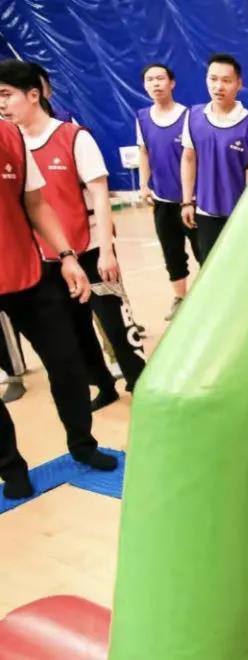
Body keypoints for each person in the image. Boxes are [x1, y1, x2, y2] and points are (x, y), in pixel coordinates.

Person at [1, 59, 146, 409]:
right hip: (49, 262)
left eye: (6, 95)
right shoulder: (12, 144)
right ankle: (103, 386)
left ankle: (140, 383)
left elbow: (99, 192)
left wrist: (108, 249)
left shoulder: (73, 137)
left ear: (33, 95)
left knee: (115, 326)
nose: (1, 104)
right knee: (75, 333)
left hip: (91, 251)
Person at [0, 118, 117, 499]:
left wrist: (67, 255)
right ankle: (9, 467)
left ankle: (83, 443)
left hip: (29, 275)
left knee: (67, 363)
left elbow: (35, 202)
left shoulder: (11, 136)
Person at [180, 53, 248, 258]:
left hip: (241, 214)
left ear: (239, 84)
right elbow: (188, 158)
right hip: (204, 212)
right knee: (209, 269)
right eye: (213, 79)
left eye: (226, 81)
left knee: (240, 269)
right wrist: (186, 202)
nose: (218, 86)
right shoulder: (193, 117)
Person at [137, 62, 197, 321]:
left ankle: (212, 297)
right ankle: (180, 298)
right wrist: (143, 184)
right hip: (162, 200)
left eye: (160, 78)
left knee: (204, 251)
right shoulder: (142, 117)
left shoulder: (190, 116)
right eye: (149, 80)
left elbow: (194, 157)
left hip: (193, 200)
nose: (155, 84)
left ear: (172, 83)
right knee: (171, 252)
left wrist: (191, 198)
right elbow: (143, 151)